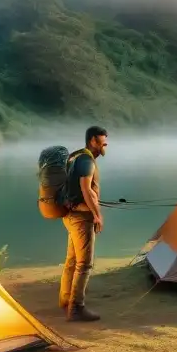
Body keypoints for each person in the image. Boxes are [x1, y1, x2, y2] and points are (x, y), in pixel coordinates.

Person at [59, 126, 108, 322]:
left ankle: (65, 300)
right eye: (102, 140)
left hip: (70, 215)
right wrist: (97, 215)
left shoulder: (74, 157)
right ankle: (76, 308)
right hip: (81, 217)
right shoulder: (87, 160)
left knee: (72, 260)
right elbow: (86, 190)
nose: (106, 143)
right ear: (92, 140)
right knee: (84, 264)